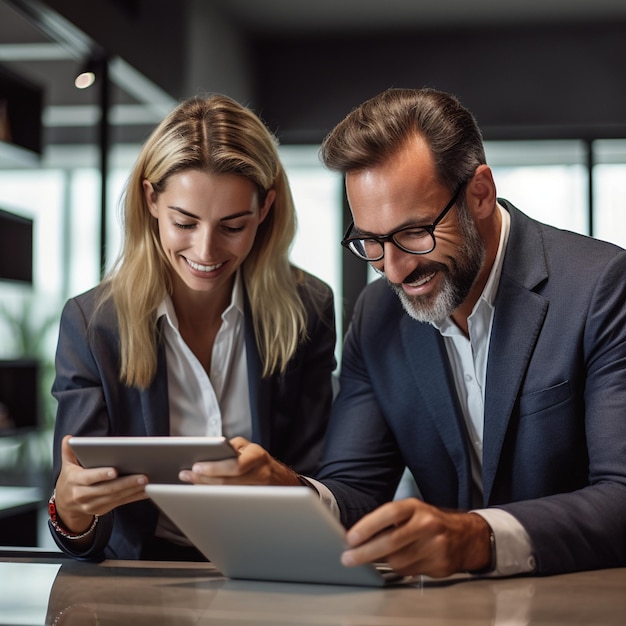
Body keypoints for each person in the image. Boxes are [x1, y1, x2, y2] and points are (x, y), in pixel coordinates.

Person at [192, 87, 626, 578]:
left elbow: (621, 495)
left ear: (480, 193)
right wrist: (289, 493)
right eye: (371, 242)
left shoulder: (602, 288)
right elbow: (356, 490)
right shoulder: (378, 314)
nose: (394, 269)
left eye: (414, 232)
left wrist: (477, 537)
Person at [48, 94, 336, 562]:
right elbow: (80, 535)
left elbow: (322, 479)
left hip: (270, 565)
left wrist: (285, 482)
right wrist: (73, 508)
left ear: (264, 209)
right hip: (143, 579)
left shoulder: (309, 308)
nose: (206, 251)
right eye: (185, 222)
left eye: (233, 226)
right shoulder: (93, 324)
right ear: (151, 199)